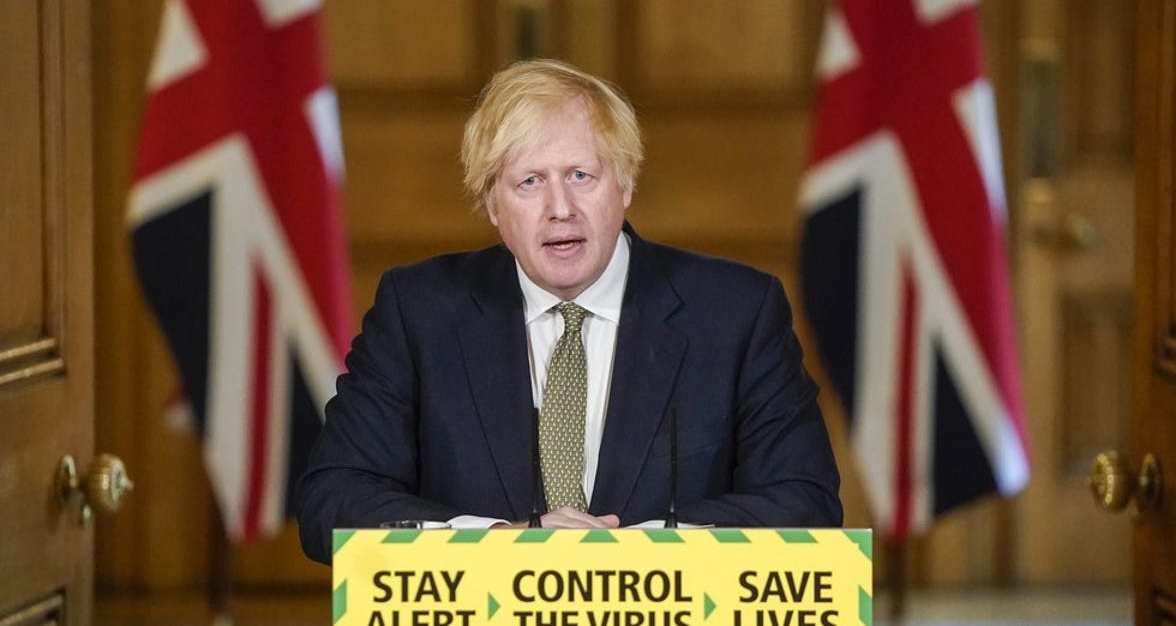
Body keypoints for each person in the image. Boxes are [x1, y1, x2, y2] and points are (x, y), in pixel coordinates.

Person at [297, 59, 841, 564]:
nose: (560, 208)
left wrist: (630, 552)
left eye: (581, 175)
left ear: (625, 182)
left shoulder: (733, 313)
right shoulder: (419, 312)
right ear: (492, 204)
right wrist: (494, 543)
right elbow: (332, 502)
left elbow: (805, 502)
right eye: (529, 182)